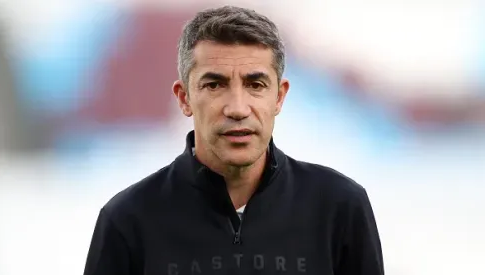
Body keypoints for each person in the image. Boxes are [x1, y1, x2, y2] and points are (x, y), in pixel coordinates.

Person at [83, 5, 384, 275]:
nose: (237, 108)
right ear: (184, 98)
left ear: (279, 97)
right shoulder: (128, 220)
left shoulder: (339, 207)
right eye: (215, 85)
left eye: (255, 84)